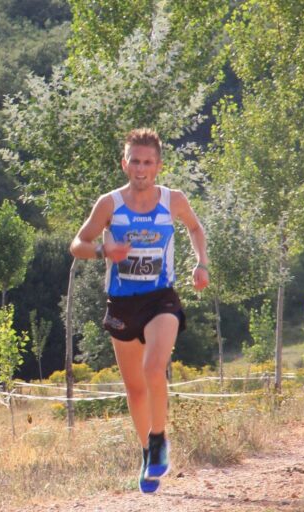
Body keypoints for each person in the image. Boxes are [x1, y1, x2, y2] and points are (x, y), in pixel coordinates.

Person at [70, 128, 209, 494]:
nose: (141, 168)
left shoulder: (173, 200)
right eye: (135, 160)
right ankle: (147, 452)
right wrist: (104, 252)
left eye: (148, 162)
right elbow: (78, 244)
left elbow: (195, 228)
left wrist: (201, 263)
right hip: (122, 302)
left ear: (159, 166)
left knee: (153, 368)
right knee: (134, 388)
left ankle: (159, 436)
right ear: (124, 163)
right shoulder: (109, 204)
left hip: (161, 297)